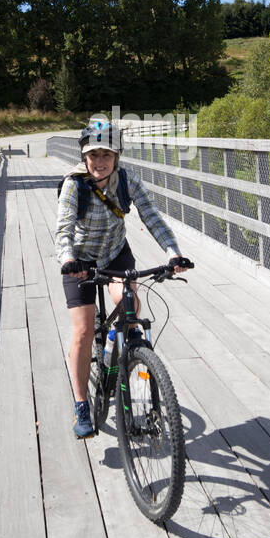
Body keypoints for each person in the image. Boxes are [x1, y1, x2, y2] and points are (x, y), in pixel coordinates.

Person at [55, 121, 192, 438]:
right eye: (93, 155)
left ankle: (125, 355)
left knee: (130, 307)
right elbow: (63, 228)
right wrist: (67, 259)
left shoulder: (127, 181)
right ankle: (81, 406)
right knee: (83, 330)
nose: (99, 161)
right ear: (85, 157)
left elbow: (152, 215)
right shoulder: (75, 185)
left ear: (117, 156)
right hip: (81, 260)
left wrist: (173, 253)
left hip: (116, 254)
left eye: (106, 154)